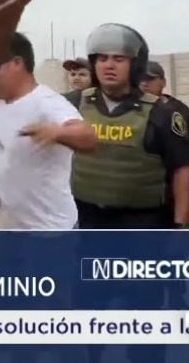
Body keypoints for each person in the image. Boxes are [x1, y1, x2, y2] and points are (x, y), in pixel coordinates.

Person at [68, 23, 189, 229]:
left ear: (135, 65)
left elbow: (182, 171)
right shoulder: (73, 104)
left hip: (144, 225)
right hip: (87, 221)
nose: (109, 65)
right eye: (102, 58)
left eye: (119, 59)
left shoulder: (162, 113)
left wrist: (180, 228)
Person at [0, 32, 96, 229]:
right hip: (4, 231)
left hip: (48, 232)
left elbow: (88, 136)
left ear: (16, 63)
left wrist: (58, 133)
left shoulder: (46, 103)